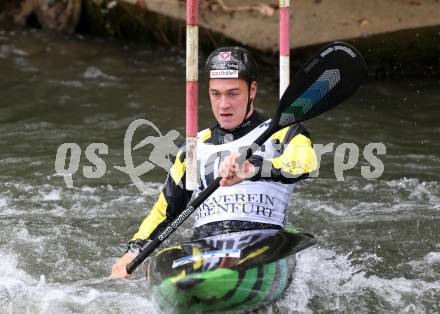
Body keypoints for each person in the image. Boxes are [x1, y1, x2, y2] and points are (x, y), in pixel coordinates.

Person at [111, 46, 317, 278]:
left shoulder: (282, 132)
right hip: (204, 250)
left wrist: (252, 169)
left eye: (233, 93)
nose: (223, 105)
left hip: (263, 244)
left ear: (252, 90)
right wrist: (134, 251)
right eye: (216, 94)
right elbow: (165, 211)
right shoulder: (192, 147)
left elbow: (303, 164)